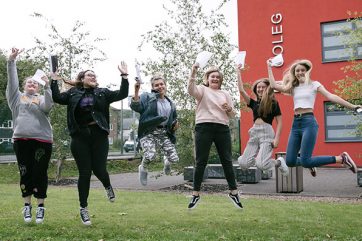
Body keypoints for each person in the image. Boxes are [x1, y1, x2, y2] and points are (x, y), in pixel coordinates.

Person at [50, 62, 129, 226]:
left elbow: (122, 93)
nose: (93, 76)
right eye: (89, 74)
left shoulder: (102, 93)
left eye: (94, 75)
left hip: (99, 135)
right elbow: (57, 98)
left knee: (99, 169)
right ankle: (83, 208)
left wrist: (124, 76)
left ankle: (108, 186)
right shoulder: (73, 93)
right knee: (84, 173)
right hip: (80, 137)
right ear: (82, 79)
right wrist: (54, 80)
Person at [267, 59, 361, 176]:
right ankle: (311, 164)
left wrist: (352, 106)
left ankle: (341, 159)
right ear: (294, 73)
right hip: (296, 123)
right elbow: (274, 85)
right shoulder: (293, 87)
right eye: (297, 70)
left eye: (302, 70)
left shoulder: (314, 85)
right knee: (290, 161)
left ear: (307, 71)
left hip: (309, 122)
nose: (300, 72)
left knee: (306, 161)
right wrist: (269, 67)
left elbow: (331, 96)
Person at [6, 48, 53, 224]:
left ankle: (41, 207)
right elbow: (12, 82)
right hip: (21, 140)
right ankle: (27, 206)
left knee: (40, 173)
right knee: (25, 172)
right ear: (25, 85)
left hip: (42, 140)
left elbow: (48, 106)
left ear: (38, 87)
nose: (32, 85)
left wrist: (48, 86)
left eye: (35, 83)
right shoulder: (16, 98)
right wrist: (11, 61)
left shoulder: (41, 99)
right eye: (29, 83)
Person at [187, 63, 242, 210]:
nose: (215, 78)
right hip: (204, 127)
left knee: (227, 160)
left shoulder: (225, 94)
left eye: (218, 77)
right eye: (213, 76)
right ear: (207, 78)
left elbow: (232, 115)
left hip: (222, 128)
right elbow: (190, 90)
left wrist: (229, 109)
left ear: (221, 80)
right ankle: (196, 193)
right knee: (201, 161)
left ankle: (233, 192)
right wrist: (193, 72)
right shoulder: (202, 90)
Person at [236, 66, 289, 176]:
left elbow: (280, 122)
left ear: (268, 89)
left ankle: (278, 162)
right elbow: (241, 90)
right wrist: (238, 72)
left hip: (267, 132)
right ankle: (258, 158)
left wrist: (277, 139)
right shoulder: (253, 103)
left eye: (263, 87)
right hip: (254, 132)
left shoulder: (273, 103)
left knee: (262, 165)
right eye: (258, 87)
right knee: (243, 164)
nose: (260, 89)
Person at [130, 74, 179, 186]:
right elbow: (137, 107)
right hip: (149, 131)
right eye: (156, 85)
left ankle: (166, 161)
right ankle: (143, 168)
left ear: (165, 85)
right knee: (150, 155)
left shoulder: (170, 103)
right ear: (153, 87)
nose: (160, 86)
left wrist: (175, 123)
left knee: (175, 159)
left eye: (162, 84)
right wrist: (136, 90)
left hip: (164, 133)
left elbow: (174, 118)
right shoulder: (148, 97)